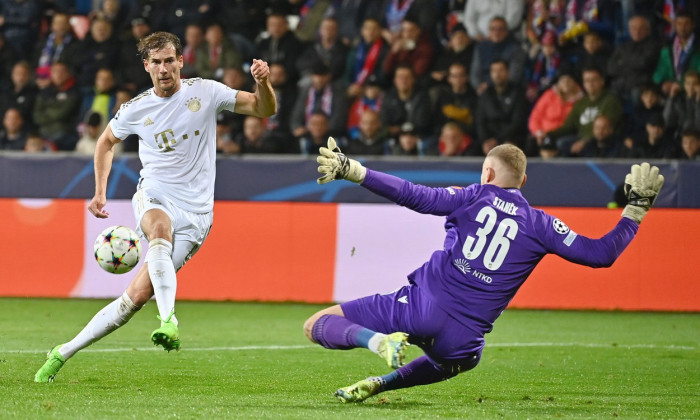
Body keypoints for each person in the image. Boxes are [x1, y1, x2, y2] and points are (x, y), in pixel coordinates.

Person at [304, 137, 664, 403]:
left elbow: (416, 195)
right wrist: (635, 211)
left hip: (419, 310)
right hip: (462, 341)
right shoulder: (541, 225)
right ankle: (380, 384)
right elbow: (600, 254)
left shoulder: (473, 195)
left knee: (317, 324)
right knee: (461, 360)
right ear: (522, 183)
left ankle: (377, 341)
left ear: (488, 173)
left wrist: (356, 171)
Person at [34, 31, 276, 383]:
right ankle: (169, 321)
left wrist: (263, 83)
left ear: (181, 61)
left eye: (169, 61)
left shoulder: (206, 92)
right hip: (155, 194)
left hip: (197, 215)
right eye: (156, 62)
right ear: (146, 66)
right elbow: (105, 143)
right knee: (159, 228)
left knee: (135, 296)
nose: (164, 69)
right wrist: (100, 192)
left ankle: (63, 351)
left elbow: (263, 108)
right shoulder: (136, 109)